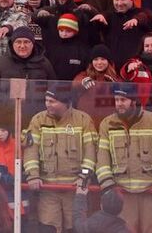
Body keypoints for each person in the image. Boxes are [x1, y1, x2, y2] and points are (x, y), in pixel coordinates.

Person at [96, 84, 152, 233]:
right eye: (116, 100)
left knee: (151, 230)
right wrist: (108, 188)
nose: (119, 104)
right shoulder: (107, 124)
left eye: (123, 100)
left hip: (151, 192)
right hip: (122, 193)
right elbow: (102, 158)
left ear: (134, 101)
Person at [23, 86, 98, 233]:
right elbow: (31, 151)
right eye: (46, 100)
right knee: (48, 227)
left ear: (65, 102)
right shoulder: (38, 120)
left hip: (74, 188)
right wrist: (33, 175)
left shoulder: (83, 120)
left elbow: (91, 154)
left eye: (52, 101)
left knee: (74, 227)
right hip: (48, 188)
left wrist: (84, 177)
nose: (47, 104)